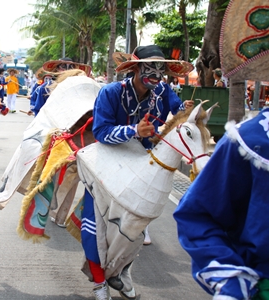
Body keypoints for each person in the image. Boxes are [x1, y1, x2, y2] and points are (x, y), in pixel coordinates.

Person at [83, 45, 194, 300]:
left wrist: (182, 112)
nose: (156, 74)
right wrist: (134, 130)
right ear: (135, 68)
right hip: (107, 162)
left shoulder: (162, 92)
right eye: (150, 67)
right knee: (95, 224)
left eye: (161, 69)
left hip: (141, 162)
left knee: (135, 231)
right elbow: (100, 132)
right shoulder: (110, 92)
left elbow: (174, 114)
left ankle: (122, 272)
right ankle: (99, 283)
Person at [173, 108, 269, 299]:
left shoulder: (162, 93)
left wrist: (182, 109)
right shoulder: (250, 137)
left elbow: (174, 106)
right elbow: (198, 214)